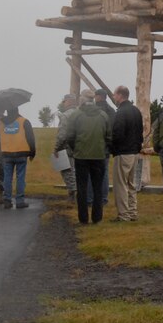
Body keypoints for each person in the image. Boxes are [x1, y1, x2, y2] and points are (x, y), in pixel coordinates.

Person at [57, 92, 110, 224]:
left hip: (80, 156)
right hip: (99, 156)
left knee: (82, 188)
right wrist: (102, 149)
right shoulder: (103, 115)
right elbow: (108, 136)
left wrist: (76, 149)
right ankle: (97, 218)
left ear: (82, 101)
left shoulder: (76, 115)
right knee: (97, 187)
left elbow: (69, 136)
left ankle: (83, 218)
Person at [110, 85, 143, 221]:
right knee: (131, 184)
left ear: (120, 95)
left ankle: (123, 215)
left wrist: (113, 148)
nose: (113, 97)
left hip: (123, 152)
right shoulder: (136, 111)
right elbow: (140, 131)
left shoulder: (121, 113)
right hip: (134, 152)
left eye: (114, 94)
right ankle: (132, 212)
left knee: (121, 185)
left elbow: (117, 134)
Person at [0, 107, 36, 209]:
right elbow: (30, 138)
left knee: (7, 177)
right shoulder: (24, 121)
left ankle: (7, 200)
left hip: (6, 153)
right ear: (17, 110)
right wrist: (32, 152)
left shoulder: (1, 122)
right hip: (21, 153)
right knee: (20, 177)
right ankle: (19, 201)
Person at [86, 88, 114, 206]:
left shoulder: (91, 110)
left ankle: (90, 199)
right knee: (104, 173)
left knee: (90, 173)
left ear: (97, 97)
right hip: (105, 148)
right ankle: (103, 199)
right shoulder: (111, 111)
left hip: (92, 147)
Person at [54, 94, 78, 201]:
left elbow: (62, 135)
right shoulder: (80, 113)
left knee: (66, 171)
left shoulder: (65, 115)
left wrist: (56, 148)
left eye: (64, 101)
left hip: (67, 148)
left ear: (68, 101)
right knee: (76, 171)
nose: (63, 103)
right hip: (81, 147)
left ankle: (73, 194)